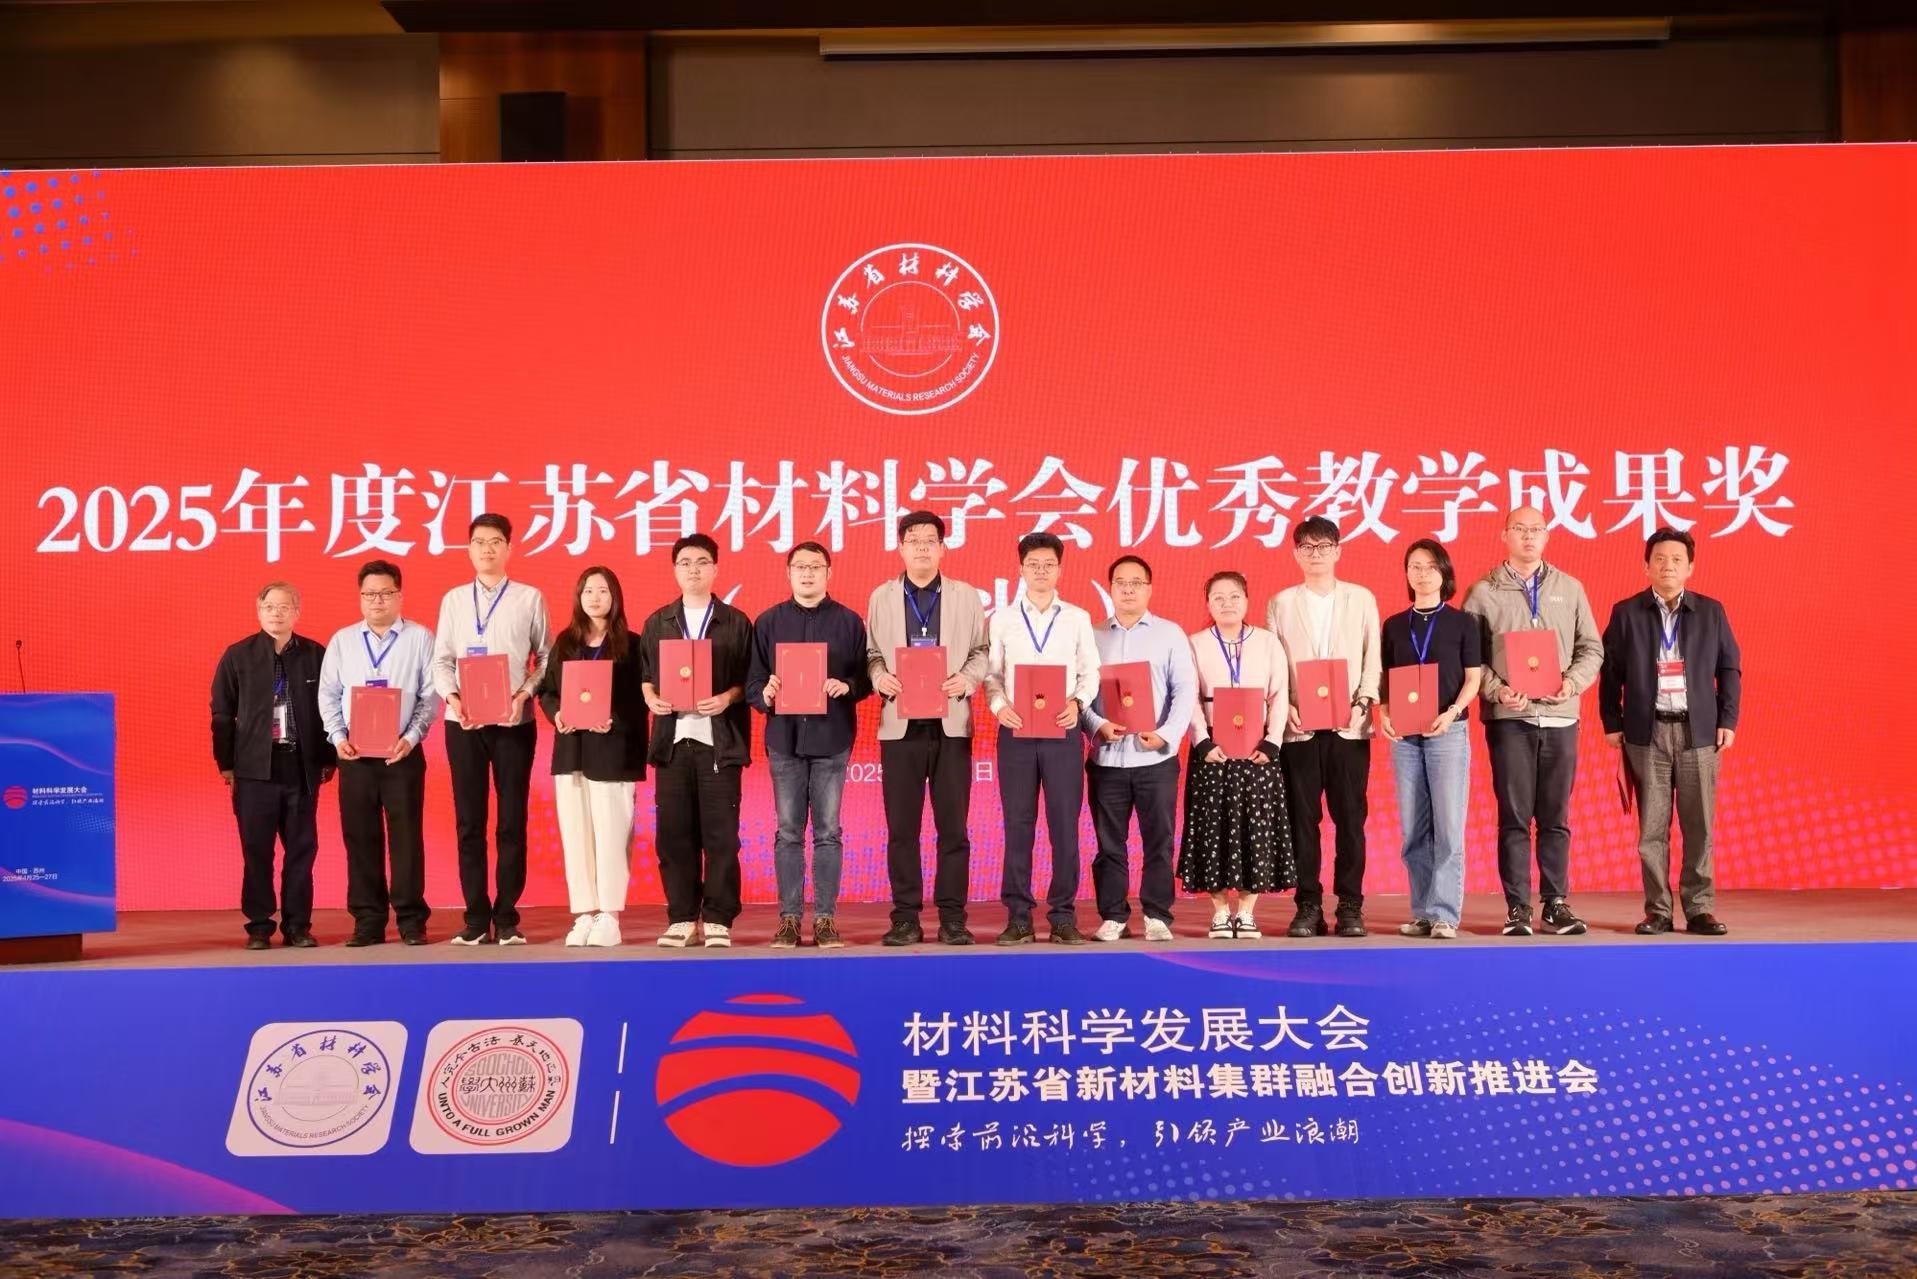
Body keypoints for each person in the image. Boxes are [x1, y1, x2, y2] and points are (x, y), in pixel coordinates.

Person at [1462, 506, 1604, 938]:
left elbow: (1591, 648)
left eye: (1536, 529)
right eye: (1520, 529)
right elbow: (1470, 658)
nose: (1528, 536)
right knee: (1514, 817)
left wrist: (1572, 683)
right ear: (1504, 535)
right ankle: (1517, 907)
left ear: (1547, 536)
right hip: (1511, 719)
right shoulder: (1482, 592)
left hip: (1560, 718)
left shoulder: (1570, 588)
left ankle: (1555, 904)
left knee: (1556, 817)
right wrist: (1498, 690)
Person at [1599, 526, 1741, 937]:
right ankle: (1658, 910)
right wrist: (1612, 722)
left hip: (1699, 733)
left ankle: (1700, 909)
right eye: (1659, 559)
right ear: (1646, 565)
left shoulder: (1711, 612)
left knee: (1700, 826)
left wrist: (1727, 720)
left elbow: (1729, 668)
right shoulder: (1626, 612)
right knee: (1652, 830)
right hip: (1647, 733)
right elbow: (1610, 673)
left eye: (1677, 559)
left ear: (1690, 567)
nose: (1668, 566)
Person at [866, 511, 991, 947]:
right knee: (902, 830)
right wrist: (879, 677)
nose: (922, 546)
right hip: (900, 727)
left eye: (930, 540)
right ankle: (905, 917)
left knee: (953, 829)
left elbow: (981, 651)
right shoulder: (881, 597)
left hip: (950, 724)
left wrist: (968, 680)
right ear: (900, 548)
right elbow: (871, 654)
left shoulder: (966, 596)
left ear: (943, 548)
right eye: (913, 539)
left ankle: (953, 917)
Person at [432, 514, 552, 946]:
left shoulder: (529, 597)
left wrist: (523, 694)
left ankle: (507, 917)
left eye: (496, 541)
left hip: (513, 723)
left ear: (509, 549)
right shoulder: (453, 600)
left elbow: (546, 658)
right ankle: (475, 917)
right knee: (469, 822)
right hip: (463, 724)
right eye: (479, 541)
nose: (487, 549)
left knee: (511, 822)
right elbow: (441, 659)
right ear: (468, 549)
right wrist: (453, 698)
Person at [746, 541, 871, 949]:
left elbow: (865, 678)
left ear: (828, 573)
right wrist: (765, 692)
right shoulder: (768, 622)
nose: (807, 573)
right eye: (800, 566)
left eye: (815, 566)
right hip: (784, 740)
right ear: (788, 573)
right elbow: (752, 682)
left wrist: (846, 685)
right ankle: (788, 919)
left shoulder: (849, 622)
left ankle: (825, 919)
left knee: (829, 832)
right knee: (788, 832)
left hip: (832, 738)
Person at [1267, 517, 1382, 939]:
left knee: (1350, 819)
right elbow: (1275, 662)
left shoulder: (1361, 597)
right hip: (1299, 729)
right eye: (1307, 547)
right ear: (1296, 553)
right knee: (1302, 821)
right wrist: (1286, 707)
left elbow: (1373, 656)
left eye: (1324, 546)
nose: (1316, 554)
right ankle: (1308, 905)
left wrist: (1363, 701)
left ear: (1338, 550)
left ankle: (1350, 905)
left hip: (1349, 726)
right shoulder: (1281, 602)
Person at [985, 531, 1101, 946]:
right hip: (1016, 731)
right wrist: (999, 706)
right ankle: (1018, 916)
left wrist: (1078, 702)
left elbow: (1090, 671)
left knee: (1064, 826)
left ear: (1059, 569)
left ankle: (1063, 915)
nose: (1040, 571)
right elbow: (992, 674)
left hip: (1061, 731)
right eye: (1033, 564)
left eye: (1048, 564)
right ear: (1020, 569)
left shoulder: (1077, 617)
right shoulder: (1001, 619)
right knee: (1018, 825)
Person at [638, 532, 754, 949]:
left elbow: (749, 681)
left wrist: (726, 698)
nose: (693, 570)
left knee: (722, 836)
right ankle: (683, 917)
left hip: (719, 743)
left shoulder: (736, 622)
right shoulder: (658, 622)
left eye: (702, 562)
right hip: (672, 743)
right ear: (675, 570)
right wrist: (650, 696)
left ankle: (719, 918)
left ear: (715, 569)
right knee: (674, 835)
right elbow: (645, 676)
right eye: (685, 562)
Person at [317, 559, 441, 947]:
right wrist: (338, 737)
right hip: (355, 756)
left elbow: (430, 695)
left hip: (401, 754)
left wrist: (412, 736)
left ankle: (411, 920)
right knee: (360, 838)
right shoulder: (343, 641)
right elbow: (328, 694)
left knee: (407, 838)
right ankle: (368, 920)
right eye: (370, 594)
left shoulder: (420, 638)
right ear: (360, 597)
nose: (377, 600)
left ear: (399, 595)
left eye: (386, 593)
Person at [211, 582, 336, 949]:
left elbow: (332, 707)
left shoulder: (316, 654)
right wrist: (226, 763)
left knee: (301, 851)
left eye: (284, 607)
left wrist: (328, 757)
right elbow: (221, 714)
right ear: (258, 611)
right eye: (269, 607)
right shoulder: (238, 655)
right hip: (254, 770)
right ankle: (260, 926)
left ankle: (298, 926)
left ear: (297, 612)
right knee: (257, 851)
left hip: (300, 766)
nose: (276, 613)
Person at [1083, 554, 1197, 942]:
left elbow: (1185, 690)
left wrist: (1167, 734)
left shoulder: (1170, 634)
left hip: (1155, 758)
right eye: (1121, 583)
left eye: (1136, 583)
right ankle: (1113, 914)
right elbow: (1080, 692)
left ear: (1149, 588)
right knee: (1108, 844)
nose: (1128, 590)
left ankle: (1157, 914)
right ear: (1110, 588)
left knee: (1159, 841)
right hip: (1107, 759)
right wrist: (1096, 726)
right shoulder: (1092, 635)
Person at [1180, 571, 1295, 938]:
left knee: (1255, 829)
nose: (1226, 603)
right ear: (1208, 603)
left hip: (1257, 749)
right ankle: (1219, 912)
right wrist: (1202, 741)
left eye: (1234, 596)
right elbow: (1188, 696)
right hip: (1214, 749)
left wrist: (1272, 741)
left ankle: (1246, 911)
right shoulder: (1195, 643)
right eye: (1218, 597)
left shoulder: (1267, 642)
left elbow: (1279, 694)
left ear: (1247, 601)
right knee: (1211, 828)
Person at [537, 565, 647, 948]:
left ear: (614, 597)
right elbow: (548, 692)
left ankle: (610, 915)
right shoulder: (565, 643)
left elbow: (640, 699)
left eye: (602, 591)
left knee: (612, 834)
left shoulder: (632, 645)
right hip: (572, 751)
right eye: (588, 591)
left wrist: (611, 718)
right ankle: (584, 912)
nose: (595, 598)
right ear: (578, 597)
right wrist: (557, 715)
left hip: (613, 751)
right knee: (576, 834)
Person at [1377, 540, 1481, 941]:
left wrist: (1451, 712)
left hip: (1447, 731)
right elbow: (1387, 679)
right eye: (1414, 567)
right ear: (1406, 574)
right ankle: (1422, 912)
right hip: (1405, 736)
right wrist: (1385, 714)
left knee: (1448, 827)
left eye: (1430, 566)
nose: (1422, 574)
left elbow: (1473, 678)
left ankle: (1445, 914)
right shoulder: (1394, 625)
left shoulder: (1463, 623)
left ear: (1444, 573)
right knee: (1413, 829)